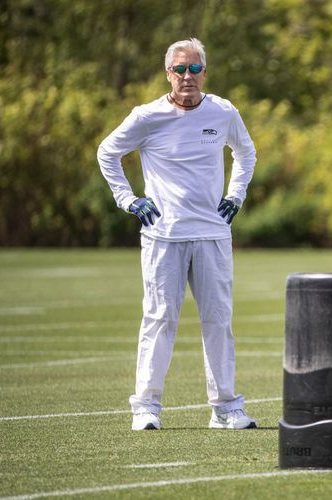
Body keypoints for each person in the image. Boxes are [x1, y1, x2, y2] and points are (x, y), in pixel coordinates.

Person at [98, 37, 257, 431]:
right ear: (168, 73)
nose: (188, 77)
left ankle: (225, 408)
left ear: (205, 71)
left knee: (218, 320)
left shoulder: (223, 112)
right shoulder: (146, 116)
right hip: (162, 235)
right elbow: (107, 152)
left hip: (212, 234)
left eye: (195, 69)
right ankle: (146, 407)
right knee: (159, 319)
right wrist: (128, 199)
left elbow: (246, 152)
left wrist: (235, 196)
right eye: (180, 69)